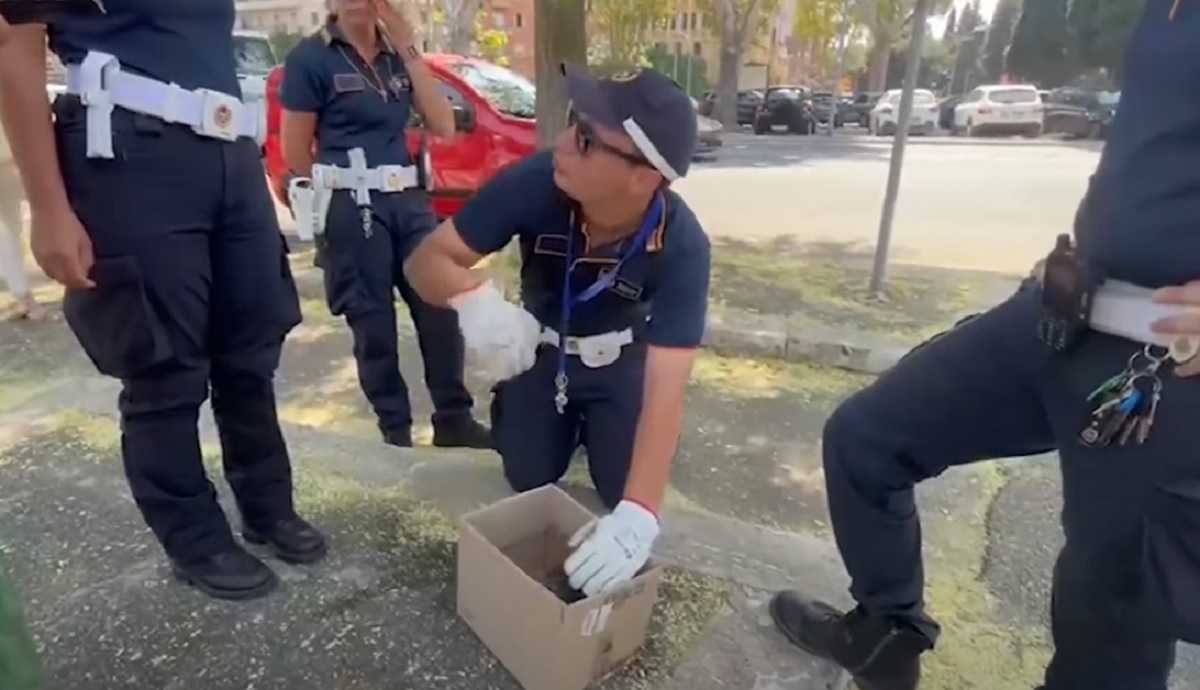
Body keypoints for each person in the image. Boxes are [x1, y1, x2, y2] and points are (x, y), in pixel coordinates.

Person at [768, 3, 1200, 690]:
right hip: (1063, 315)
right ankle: (886, 639)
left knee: (1108, 627)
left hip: (1169, 370)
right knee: (865, 440)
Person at [0, 1, 327, 601]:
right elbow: (13, 42)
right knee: (163, 366)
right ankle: (194, 538)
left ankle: (266, 507)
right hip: (125, 148)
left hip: (227, 149)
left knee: (251, 351)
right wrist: (48, 208)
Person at [404, 66, 709, 596]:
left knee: (621, 492)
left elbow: (668, 387)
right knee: (527, 477)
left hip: (622, 366)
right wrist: (474, 299)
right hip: (538, 354)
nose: (563, 143)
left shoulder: (683, 243)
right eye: (573, 121)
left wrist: (639, 515)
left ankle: (603, 431)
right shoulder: (537, 181)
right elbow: (423, 263)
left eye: (587, 139)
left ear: (643, 177)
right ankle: (549, 424)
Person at [279, 0, 490, 450]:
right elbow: (295, 152)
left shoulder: (398, 55)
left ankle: (453, 418)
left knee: (438, 304)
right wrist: (321, 202)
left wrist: (411, 49)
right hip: (352, 204)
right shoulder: (310, 58)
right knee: (373, 321)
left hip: (408, 200)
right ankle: (394, 429)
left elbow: (443, 125)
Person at [0, 102, 46, 321]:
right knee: (8, 229)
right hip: (11, 156)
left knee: (9, 228)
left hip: (11, 158)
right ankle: (23, 296)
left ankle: (23, 296)